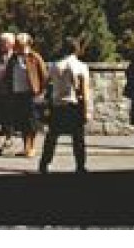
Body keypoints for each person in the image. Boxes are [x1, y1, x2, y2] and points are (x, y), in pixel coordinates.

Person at [38, 38, 89, 175]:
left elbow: (47, 84)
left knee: (52, 137)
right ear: (76, 49)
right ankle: (80, 165)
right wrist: (85, 111)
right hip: (73, 105)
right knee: (78, 138)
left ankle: (44, 163)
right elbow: (84, 92)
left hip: (57, 104)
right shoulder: (80, 66)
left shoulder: (54, 66)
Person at [10, 32, 47, 158]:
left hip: (31, 94)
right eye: (16, 44)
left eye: (19, 44)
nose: (16, 46)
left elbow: (44, 76)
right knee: (21, 122)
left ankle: (31, 147)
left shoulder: (34, 57)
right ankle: (25, 147)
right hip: (17, 94)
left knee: (31, 122)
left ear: (27, 44)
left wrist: (41, 91)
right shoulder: (14, 58)